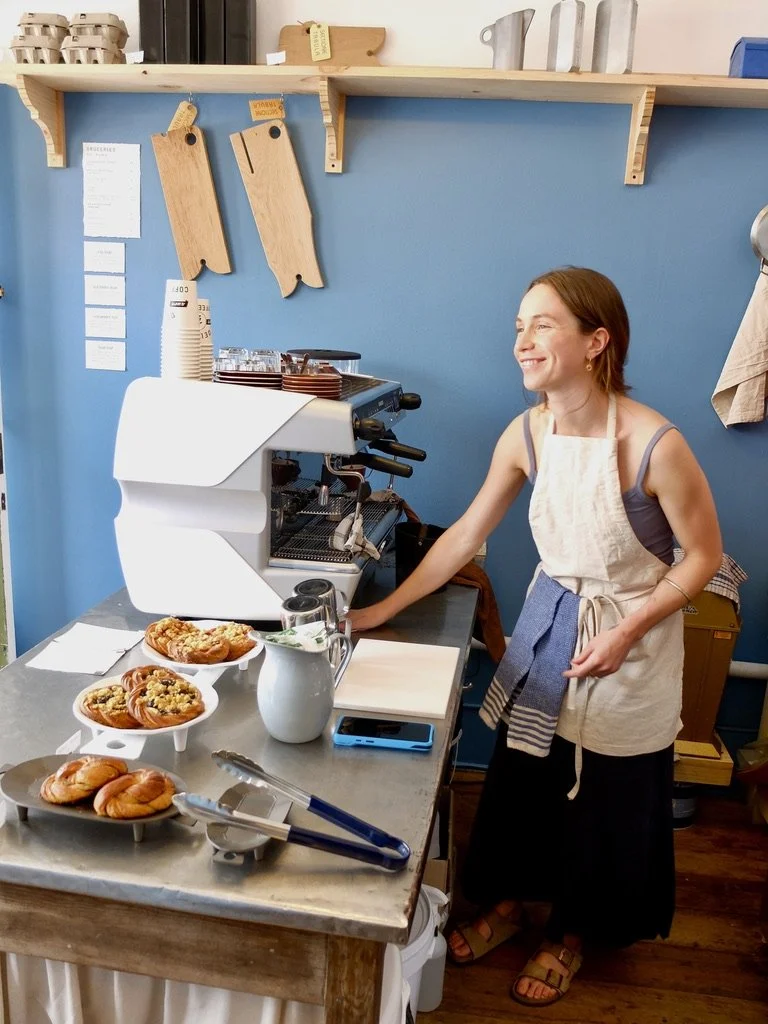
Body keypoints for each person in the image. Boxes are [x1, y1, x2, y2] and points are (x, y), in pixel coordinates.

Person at [346, 267, 723, 1007]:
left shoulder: (655, 444)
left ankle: (572, 932)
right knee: (529, 775)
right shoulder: (527, 434)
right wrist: (382, 611)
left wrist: (628, 632)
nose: (522, 340)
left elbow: (704, 557)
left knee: (606, 796)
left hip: (631, 639)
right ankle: (514, 903)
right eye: (519, 326)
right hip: (550, 624)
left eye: (542, 325)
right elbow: (464, 536)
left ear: (596, 341)